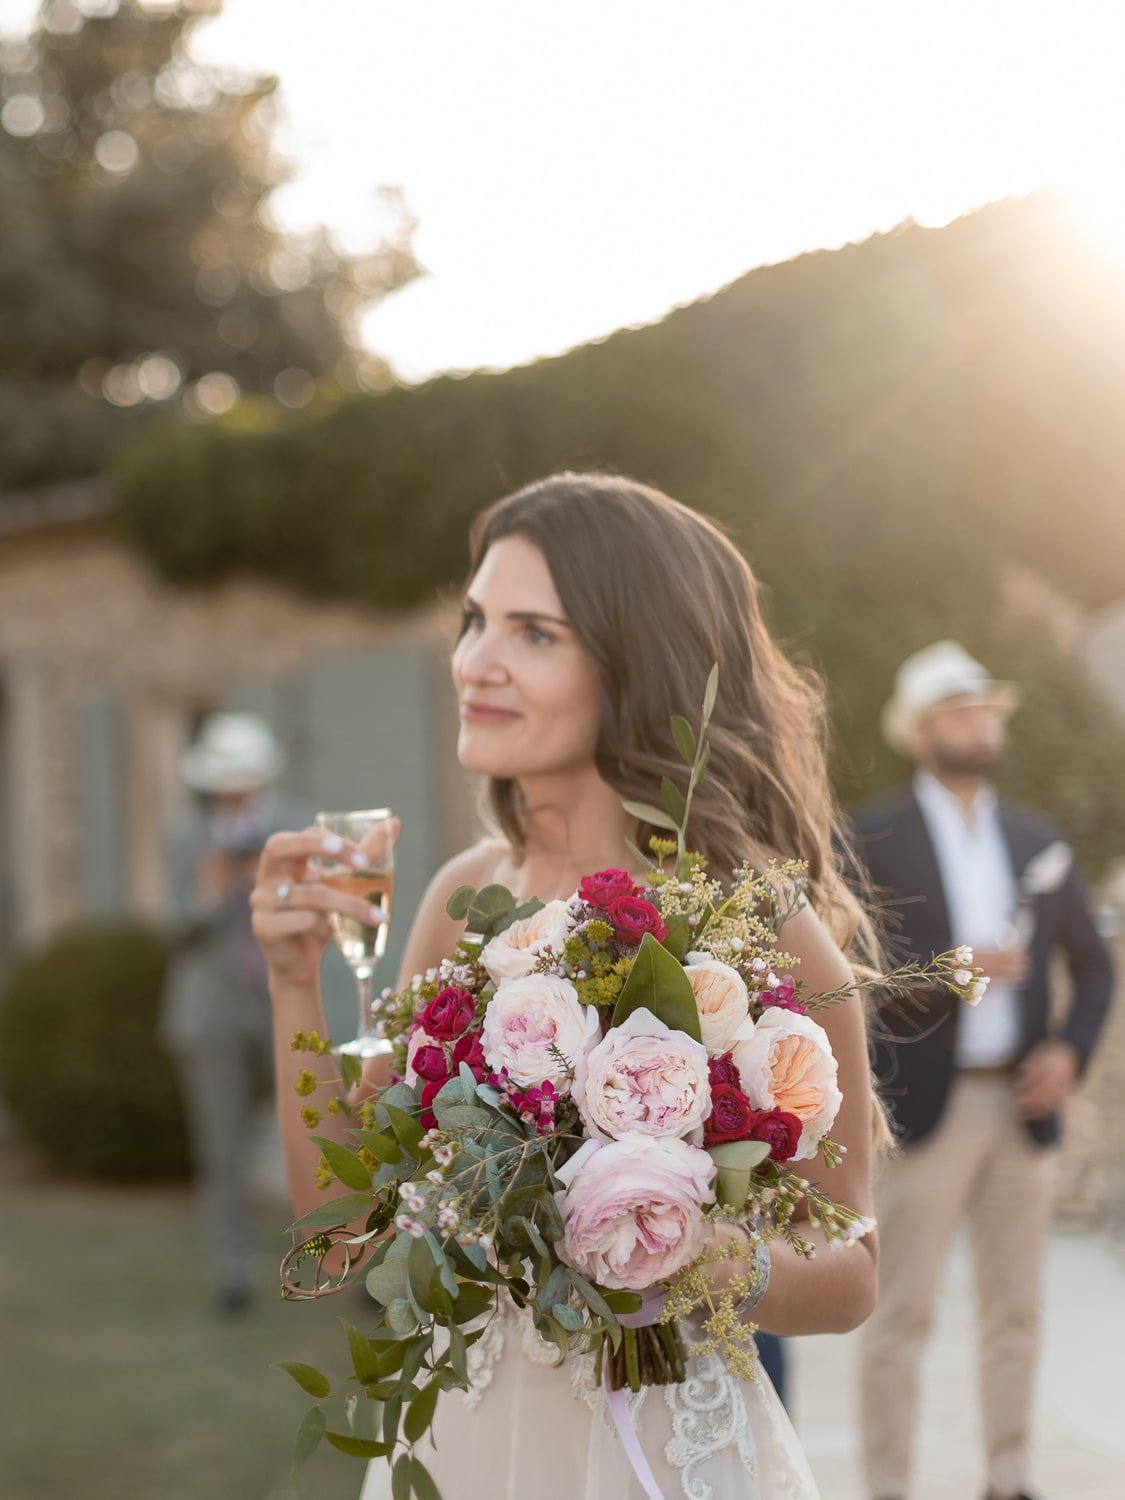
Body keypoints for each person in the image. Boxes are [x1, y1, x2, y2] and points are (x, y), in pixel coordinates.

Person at [251, 473, 882, 1498]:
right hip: (459, 1446)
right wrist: (292, 987)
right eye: (475, 622)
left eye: (534, 634)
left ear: (633, 663)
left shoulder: (756, 923)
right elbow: (335, 1231)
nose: (476, 664)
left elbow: (853, 1270)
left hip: (662, 1456)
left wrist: (685, 1255)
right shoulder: (463, 898)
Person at [851, 640, 1116, 1500]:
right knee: (899, 1315)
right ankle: (886, 1486)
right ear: (921, 730)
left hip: (1022, 1102)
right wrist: (948, 965)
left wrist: (1068, 1053)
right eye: (961, 713)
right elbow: (854, 968)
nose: (979, 726)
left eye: (987, 712)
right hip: (926, 1108)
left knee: (1016, 1312)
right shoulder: (870, 837)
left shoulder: (1035, 838)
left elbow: (1095, 965)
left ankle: (1008, 1479)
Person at [160, 711, 300, 1315]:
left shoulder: (295, 828)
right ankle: (234, 1270)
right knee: (219, 1149)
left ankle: (346, 1253)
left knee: (321, 1128)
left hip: (286, 1004)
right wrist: (212, 889)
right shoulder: (184, 839)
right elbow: (173, 930)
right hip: (209, 1012)